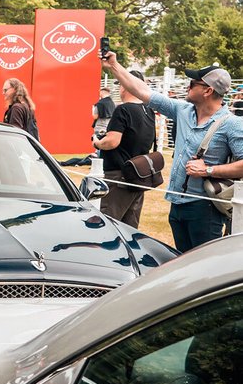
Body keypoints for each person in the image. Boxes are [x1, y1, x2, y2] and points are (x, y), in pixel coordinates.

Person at [104, 53, 243, 251]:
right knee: (182, 263)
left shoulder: (232, 124)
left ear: (208, 91)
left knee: (203, 267)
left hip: (205, 209)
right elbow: (142, 91)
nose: (187, 86)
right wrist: (114, 66)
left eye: (192, 83)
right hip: (176, 204)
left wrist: (209, 170)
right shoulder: (182, 110)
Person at [92, 70, 156, 229]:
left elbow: (112, 142)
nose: (120, 88)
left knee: (108, 226)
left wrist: (97, 142)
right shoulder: (148, 111)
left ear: (126, 86)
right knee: (130, 228)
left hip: (119, 176)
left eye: (121, 84)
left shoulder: (123, 110)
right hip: (139, 174)